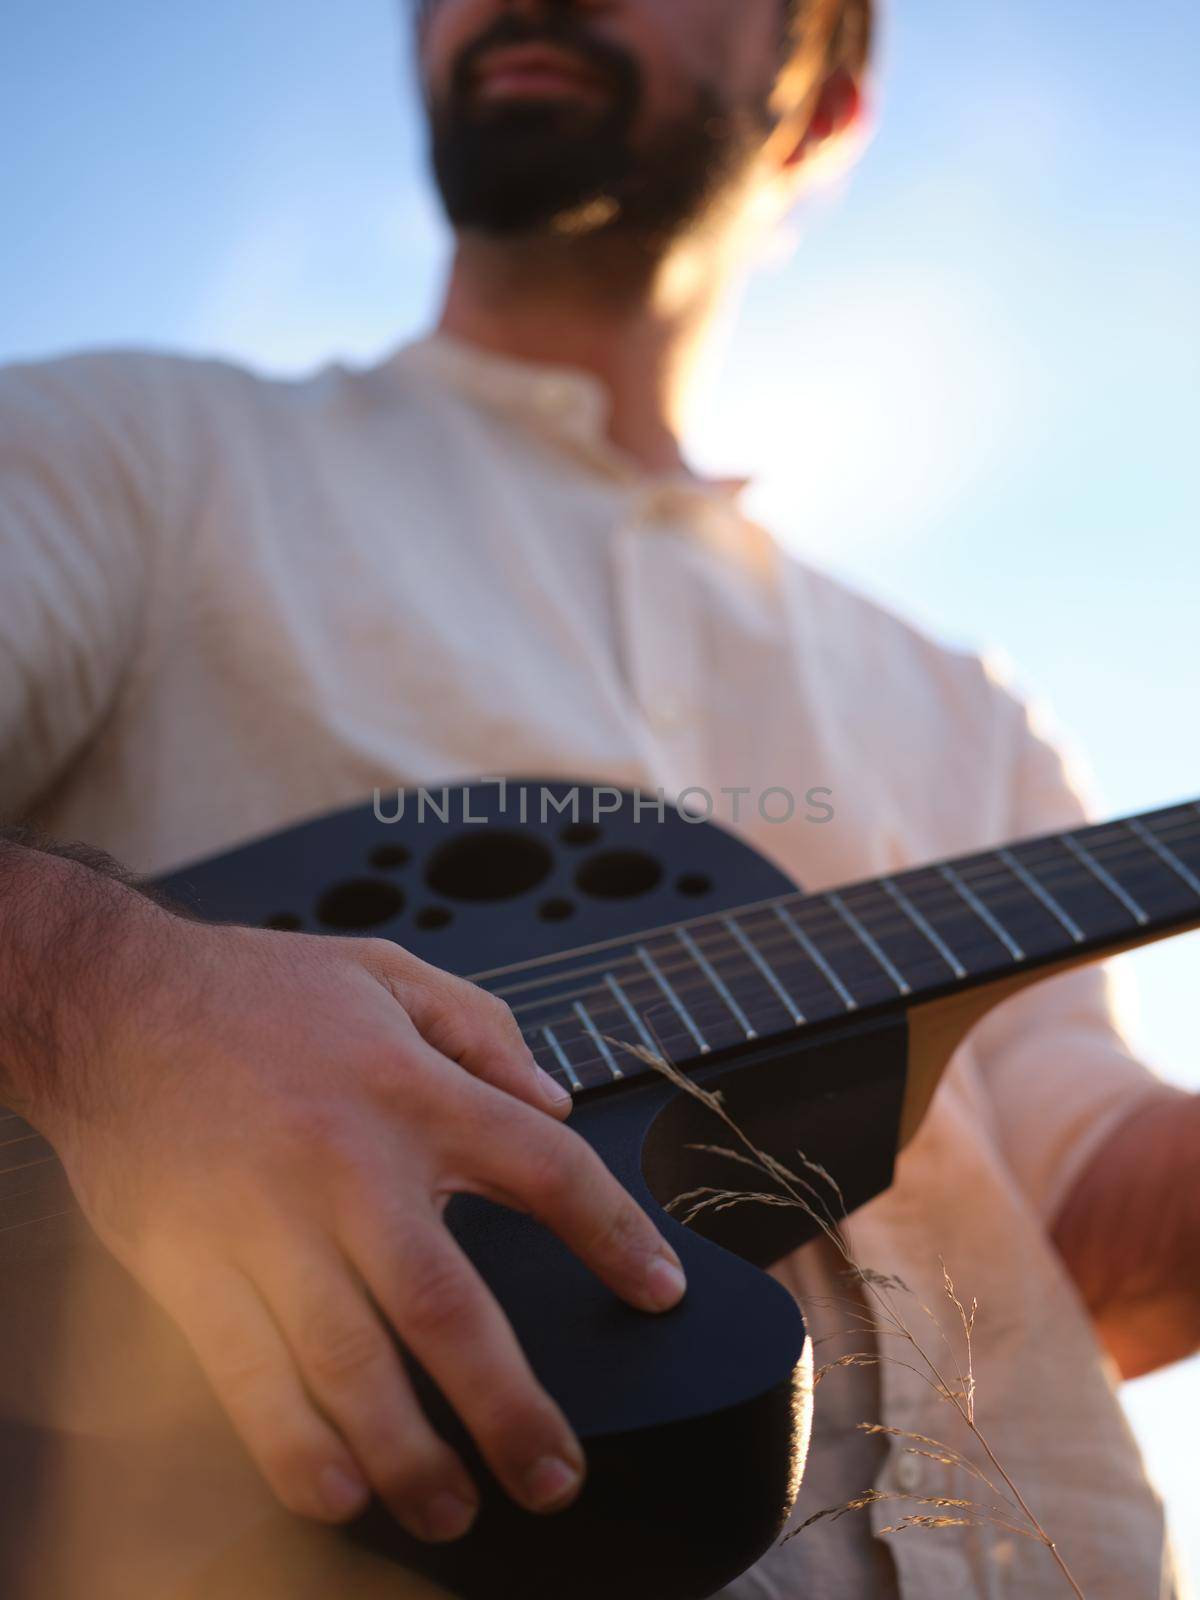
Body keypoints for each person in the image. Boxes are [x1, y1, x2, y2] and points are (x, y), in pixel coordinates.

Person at [0, 0, 1195, 1595]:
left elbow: (1089, 1217)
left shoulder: (964, 711)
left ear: (817, 95)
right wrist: (110, 999)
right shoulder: (138, 452)